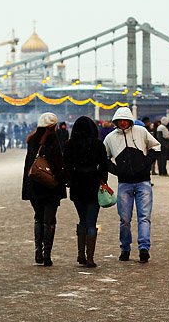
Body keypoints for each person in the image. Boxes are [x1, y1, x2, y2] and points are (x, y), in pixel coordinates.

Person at [103, 107, 160, 263]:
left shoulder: (140, 132)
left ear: (129, 120)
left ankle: (143, 248)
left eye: (124, 120)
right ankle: (126, 248)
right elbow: (104, 158)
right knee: (126, 219)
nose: (122, 123)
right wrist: (118, 170)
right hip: (129, 182)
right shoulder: (110, 138)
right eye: (119, 120)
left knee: (143, 217)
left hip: (140, 181)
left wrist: (145, 163)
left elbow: (157, 147)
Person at [22, 112, 67, 267]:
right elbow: (57, 165)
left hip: (35, 186)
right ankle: (47, 254)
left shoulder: (32, 140)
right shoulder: (54, 140)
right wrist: (64, 180)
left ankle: (38, 252)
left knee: (38, 218)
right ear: (54, 126)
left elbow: (28, 165)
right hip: (50, 187)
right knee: (49, 220)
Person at [63, 116, 108, 268]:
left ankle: (80, 254)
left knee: (82, 219)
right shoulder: (98, 145)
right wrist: (103, 181)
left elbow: (66, 165)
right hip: (93, 183)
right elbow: (104, 166)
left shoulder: (70, 145)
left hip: (77, 184)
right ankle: (90, 257)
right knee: (91, 221)